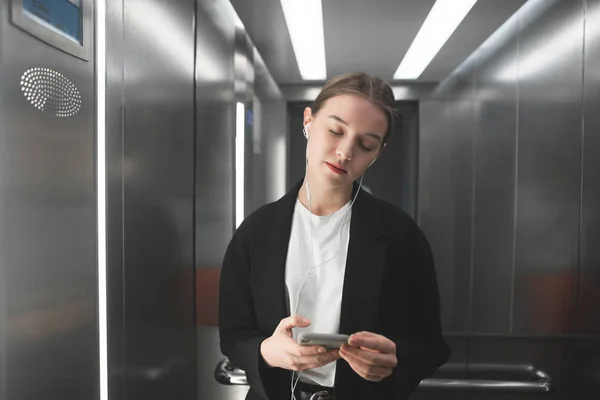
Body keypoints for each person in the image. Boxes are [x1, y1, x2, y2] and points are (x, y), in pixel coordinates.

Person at [218, 72, 450, 400]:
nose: (345, 152)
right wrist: (267, 351)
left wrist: (394, 359)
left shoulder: (400, 234)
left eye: (365, 144)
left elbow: (430, 345)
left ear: (377, 153)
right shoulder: (256, 231)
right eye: (335, 130)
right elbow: (233, 333)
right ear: (309, 121)